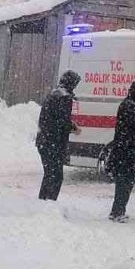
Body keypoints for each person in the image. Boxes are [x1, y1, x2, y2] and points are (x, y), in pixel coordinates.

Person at [36, 71, 81, 201]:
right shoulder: (64, 97)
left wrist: (69, 124)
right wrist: (73, 128)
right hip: (54, 143)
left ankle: (43, 202)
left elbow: (53, 117)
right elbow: (62, 122)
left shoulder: (54, 93)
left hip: (44, 141)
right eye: (75, 84)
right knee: (56, 176)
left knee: (49, 175)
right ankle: (49, 203)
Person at [107, 82, 135, 222]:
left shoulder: (129, 104)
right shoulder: (130, 106)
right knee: (125, 182)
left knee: (124, 182)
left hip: (125, 150)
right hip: (126, 152)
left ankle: (118, 211)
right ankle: (117, 212)